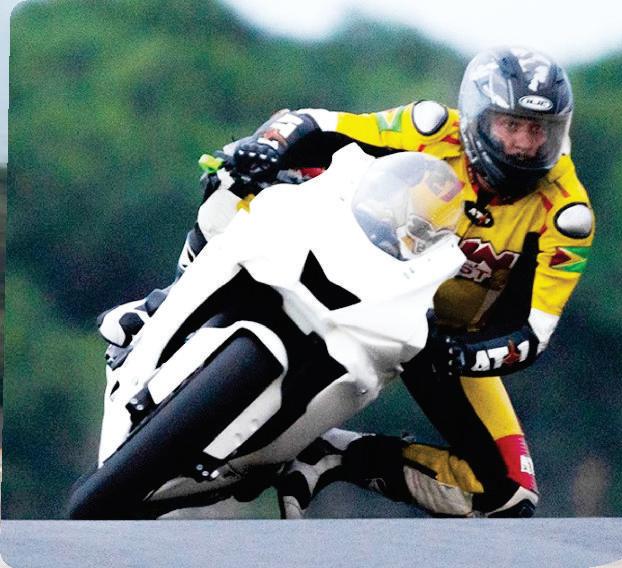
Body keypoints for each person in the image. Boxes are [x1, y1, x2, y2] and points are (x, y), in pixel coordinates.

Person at [98, 46, 594, 519]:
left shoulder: (568, 214)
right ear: (477, 118)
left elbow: (533, 333)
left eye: (538, 130)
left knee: (509, 494)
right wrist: (265, 149)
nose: (524, 145)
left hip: (436, 338)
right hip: (358, 257)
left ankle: (335, 456)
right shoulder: (431, 126)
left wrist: (463, 356)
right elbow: (318, 125)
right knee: (235, 178)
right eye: (511, 125)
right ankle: (159, 307)